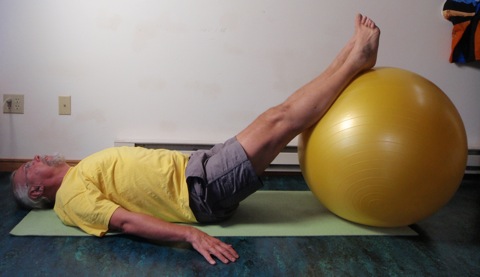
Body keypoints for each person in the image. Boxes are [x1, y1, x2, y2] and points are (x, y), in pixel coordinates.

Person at [11, 14, 380, 265]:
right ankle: (353, 59)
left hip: (198, 171)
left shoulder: (76, 178)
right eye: (30, 166)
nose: (38, 156)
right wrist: (188, 235)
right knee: (279, 119)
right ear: (38, 192)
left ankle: (349, 57)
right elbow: (125, 222)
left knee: (279, 117)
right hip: (201, 189)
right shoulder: (72, 200)